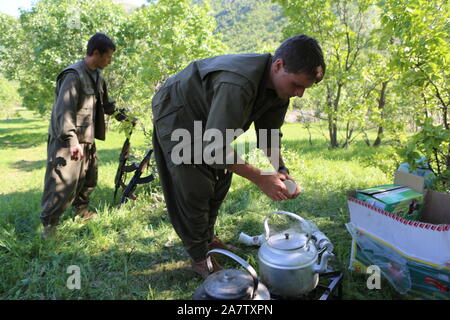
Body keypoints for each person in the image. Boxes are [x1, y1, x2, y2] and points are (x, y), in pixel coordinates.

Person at [151, 34, 325, 278]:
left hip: (209, 120)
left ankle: (208, 239)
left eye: (305, 88)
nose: (300, 94)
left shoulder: (280, 88)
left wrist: (280, 169)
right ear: (278, 65)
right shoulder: (237, 83)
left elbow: (269, 134)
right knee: (195, 186)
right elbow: (214, 148)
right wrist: (260, 177)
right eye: (297, 85)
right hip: (178, 111)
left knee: (220, 179)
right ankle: (200, 258)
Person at [41, 33, 129, 238]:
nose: (110, 61)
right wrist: (71, 141)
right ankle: (49, 226)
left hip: (86, 139)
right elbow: (64, 111)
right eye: (108, 57)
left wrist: (125, 117)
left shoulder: (98, 76)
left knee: (89, 179)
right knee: (61, 182)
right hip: (66, 140)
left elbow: (107, 106)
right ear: (96, 53)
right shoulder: (73, 75)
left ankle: (81, 211)